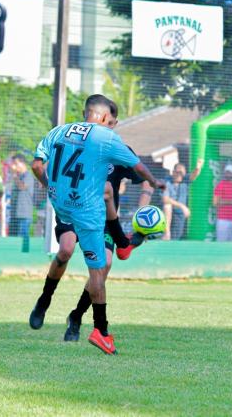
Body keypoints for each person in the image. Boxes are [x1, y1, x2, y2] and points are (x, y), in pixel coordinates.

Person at [30, 94, 164, 355]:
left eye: (114, 123)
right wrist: (52, 185)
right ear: (102, 117)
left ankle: (77, 316)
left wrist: (144, 205)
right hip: (78, 208)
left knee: (104, 266)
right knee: (67, 248)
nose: (111, 126)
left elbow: (141, 178)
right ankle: (45, 300)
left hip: (100, 217)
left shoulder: (115, 147)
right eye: (110, 121)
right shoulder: (86, 140)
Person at [162, 159, 203, 240]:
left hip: (179, 214)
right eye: (177, 172)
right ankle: (166, 233)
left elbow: (194, 175)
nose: (179, 175)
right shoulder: (166, 181)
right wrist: (182, 206)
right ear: (173, 172)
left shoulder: (185, 180)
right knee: (167, 206)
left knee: (176, 236)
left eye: (182, 173)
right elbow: (165, 199)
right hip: (167, 213)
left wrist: (198, 167)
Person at [10, 154, 34, 252]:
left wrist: (14, 176)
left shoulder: (28, 175)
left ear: (22, 163)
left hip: (24, 213)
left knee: (23, 236)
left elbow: (22, 187)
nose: (14, 166)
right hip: (15, 213)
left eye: (16, 163)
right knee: (14, 238)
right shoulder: (18, 177)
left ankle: (25, 256)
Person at [213, 164, 232, 241]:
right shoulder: (220, 185)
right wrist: (231, 201)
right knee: (221, 242)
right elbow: (215, 202)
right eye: (227, 172)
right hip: (222, 219)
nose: (228, 174)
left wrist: (224, 201)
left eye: (230, 172)